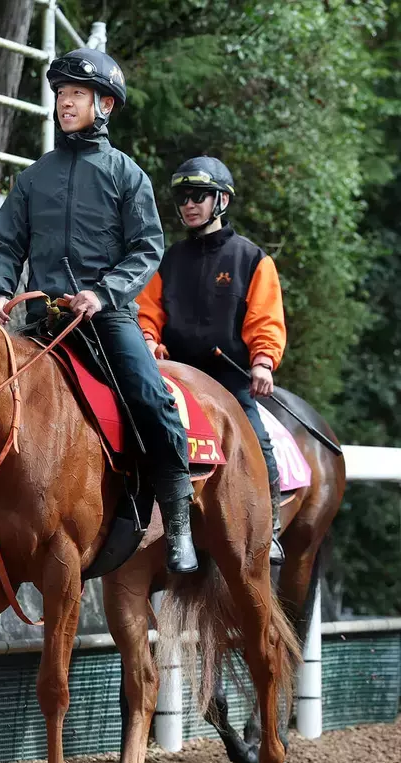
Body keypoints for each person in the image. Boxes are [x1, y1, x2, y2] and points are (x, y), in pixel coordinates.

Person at [0, 48, 198, 575]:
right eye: (61, 94)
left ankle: (178, 525)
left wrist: (104, 293)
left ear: (105, 105)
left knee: (151, 397)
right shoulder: (33, 178)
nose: (65, 103)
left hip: (106, 315)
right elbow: (5, 244)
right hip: (42, 320)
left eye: (77, 94)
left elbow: (146, 248)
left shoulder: (127, 175)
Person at [136, 156, 286, 564]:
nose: (189, 204)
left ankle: (269, 527)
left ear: (222, 200)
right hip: (175, 376)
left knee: (258, 441)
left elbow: (265, 319)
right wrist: (147, 339)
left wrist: (263, 362)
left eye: (198, 196)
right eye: (183, 197)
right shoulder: (168, 259)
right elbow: (148, 313)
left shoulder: (252, 259)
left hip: (229, 377)